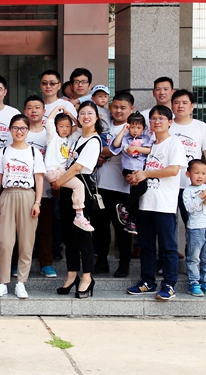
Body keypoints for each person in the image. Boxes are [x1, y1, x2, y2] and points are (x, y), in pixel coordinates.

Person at [126, 105, 186, 301]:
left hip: (164, 205)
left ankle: (169, 284)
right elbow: (146, 172)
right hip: (146, 204)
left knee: (168, 247)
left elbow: (173, 170)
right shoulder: (152, 146)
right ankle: (147, 282)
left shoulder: (174, 143)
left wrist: (146, 173)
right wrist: (136, 177)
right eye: (153, 118)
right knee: (146, 246)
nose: (157, 121)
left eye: (161, 118)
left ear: (170, 122)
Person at [0, 114, 44, 299]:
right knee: (4, 242)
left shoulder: (34, 152)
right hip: (7, 194)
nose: (19, 131)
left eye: (23, 128)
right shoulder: (3, 151)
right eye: (15, 128)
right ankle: (2, 282)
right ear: (10, 129)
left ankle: (21, 282)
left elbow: (39, 179)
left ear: (28, 130)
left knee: (26, 242)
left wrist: (37, 202)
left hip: (28, 195)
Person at [52, 101, 102, 299]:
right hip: (67, 189)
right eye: (82, 113)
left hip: (81, 190)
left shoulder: (94, 141)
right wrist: (73, 116)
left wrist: (58, 182)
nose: (86, 117)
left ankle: (87, 277)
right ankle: (72, 274)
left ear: (97, 117)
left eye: (90, 113)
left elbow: (77, 167)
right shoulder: (78, 137)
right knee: (68, 236)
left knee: (82, 236)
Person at [91, 91, 136, 277]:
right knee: (100, 227)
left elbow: (117, 149)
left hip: (122, 187)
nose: (118, 111)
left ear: (131, 109)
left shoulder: (133, 128)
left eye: (123, 108)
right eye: (115, 107)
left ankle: (124, 265)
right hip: (100, 185)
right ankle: (101, 261)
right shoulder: (104, 124)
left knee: (122, 228)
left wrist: (100, 152)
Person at [170, 89, 206, 226]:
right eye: (176, 102)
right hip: (169, 185)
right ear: (172, 105)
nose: (180, 106)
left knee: (193, 223)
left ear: (192, 106)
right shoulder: (166, 126)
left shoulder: (201, 127)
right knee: (168, 225)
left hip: (192, 186)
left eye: (185, 103)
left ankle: (192, 242)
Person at [24, 95, 61, 277]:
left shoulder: (51, 132)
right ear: (25, 111)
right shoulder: (20, 131)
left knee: (45, 228)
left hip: (45, 188)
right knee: (21, 229)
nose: (34, 111)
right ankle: (18, 263)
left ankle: (46, 263)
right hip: (23, 187)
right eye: (30, 107)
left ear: (44, 111)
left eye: (37, 107)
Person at [44, 112, 93, 232]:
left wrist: (70, 114)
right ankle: (79, 215)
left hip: (61, 173)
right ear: (56, 127)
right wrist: (59, 108)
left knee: (62, 202)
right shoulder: (53, 137)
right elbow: (49, 121)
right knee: (79, 186)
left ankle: (78, 215)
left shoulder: (70, 139)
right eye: (61, 126)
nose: (65, 129)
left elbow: (80, 128)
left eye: (68, 126)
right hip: (54, 171)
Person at [182, 159, 206, 297]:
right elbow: (190, 208)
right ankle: (194, 283)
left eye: (203, 173)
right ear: (188, 174)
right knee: (194, 258)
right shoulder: (187, 191)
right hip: (195, 229)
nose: (200, 176)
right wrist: (200, 196)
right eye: (196, 173)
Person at [109, 112, 154, 235]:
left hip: (140, 170)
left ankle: (130, 220)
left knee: (137, 194)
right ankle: (125, 207)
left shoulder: (146, 139)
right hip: (128, 168)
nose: (135, 130)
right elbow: (115, 145)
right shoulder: (125, 138)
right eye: (132, 127)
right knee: (141, 188)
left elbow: (150, 150)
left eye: (139, 127)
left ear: (143, 128)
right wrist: (123, 130)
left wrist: (137, 148)